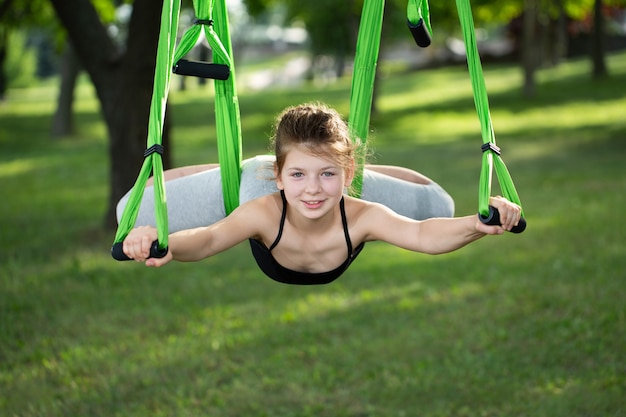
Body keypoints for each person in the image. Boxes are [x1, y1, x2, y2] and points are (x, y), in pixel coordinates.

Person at [120, 103, 521, 285]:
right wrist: (165, 241)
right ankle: (261, 166)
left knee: (439, 204)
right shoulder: (261, 209)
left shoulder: (363, 215)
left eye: (328, 173)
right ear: (280, 178)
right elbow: (208, 239)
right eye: (297, 175)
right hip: (254, 182)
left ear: (348, 175)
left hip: (337, 192)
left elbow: (422, 235)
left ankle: (325, 165)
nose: (312, 189)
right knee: (132, 211)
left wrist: (477, 223)